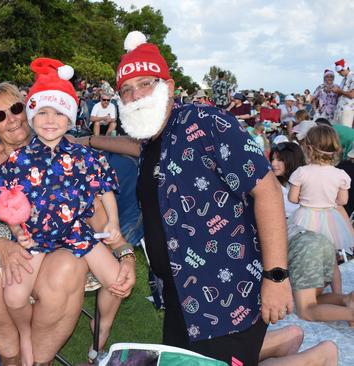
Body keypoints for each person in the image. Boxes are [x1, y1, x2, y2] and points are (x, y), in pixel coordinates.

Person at [116, 31, 293, 365]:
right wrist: (90, 142)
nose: (135, 95)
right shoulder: (150, 139)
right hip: (180, 299)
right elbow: (132, 150)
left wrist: (276, 277)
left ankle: (319, 358)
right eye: (126, 89)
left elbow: (267, 189)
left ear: (167, 86)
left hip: (228, 297)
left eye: (144, 84)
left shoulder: (208, 123)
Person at [0, 82, 136, 365]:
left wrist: (123, 250)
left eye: (16, 108)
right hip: (1, 238)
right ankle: (10, 350)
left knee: (68, 269)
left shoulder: (67, 151)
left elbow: (97, 207)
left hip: (60, 237)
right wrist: (3, 242)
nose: (12, 118)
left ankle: (44, 356)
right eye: (0, 116)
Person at [270, 142, 354, 325]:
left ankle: (349, 310)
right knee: (314, 297)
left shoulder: (285, 184)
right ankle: (345, 301)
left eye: (279, 159)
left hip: (303, 240)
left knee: (306, 309)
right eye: (273, 159)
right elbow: (339, 205)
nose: (274, 163)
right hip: (320, 237)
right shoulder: (316, 178)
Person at [288, 124, 354, 251]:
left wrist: (306, 198)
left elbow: (292, 198)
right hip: (330, 218)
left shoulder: (301, 172)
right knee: (328, 250)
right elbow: (342, 201)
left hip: (304, 217)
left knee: (304, 250)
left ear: (309, 149)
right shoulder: (340, 175)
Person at [333, 59, 354, 127]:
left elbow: (352, 95)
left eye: (340, 72)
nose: (339, 74)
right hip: (339, 110)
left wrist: (339, 91)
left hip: (347, 110)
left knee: (345, 133)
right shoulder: (344, 79)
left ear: (344, 69)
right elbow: (342, 94)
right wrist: (336, 91)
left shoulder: (353, 77)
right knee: (337, 132)